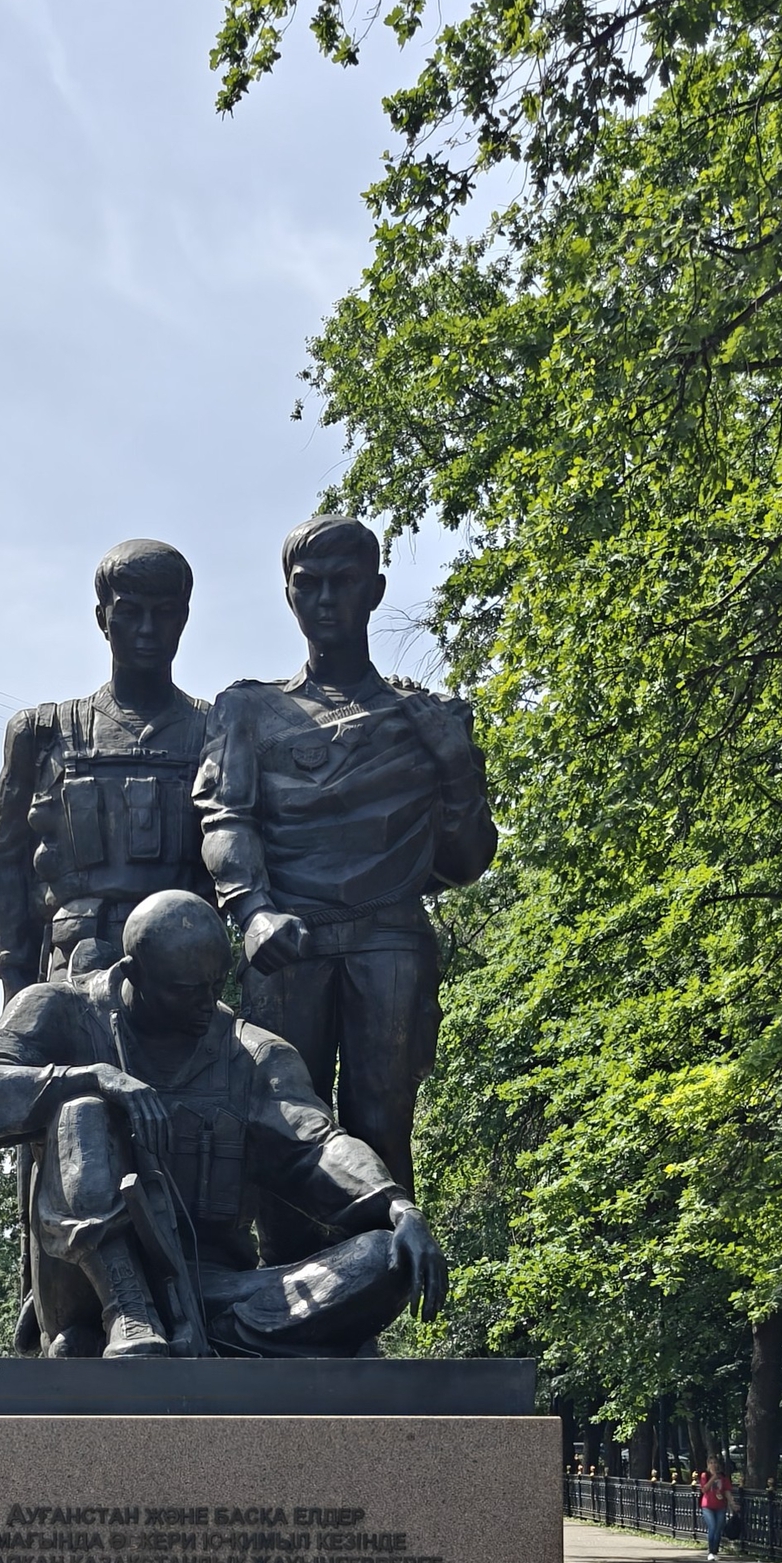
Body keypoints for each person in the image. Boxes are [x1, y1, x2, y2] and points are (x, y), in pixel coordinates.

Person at [0, 889, 449, 1359]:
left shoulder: (254, 1054)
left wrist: (396, 1205)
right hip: (83, 1290)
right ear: (133, 973)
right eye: (187, 990)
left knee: (386, 1258)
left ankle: (203, 1334)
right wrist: (89, 1077)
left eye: (215, 984)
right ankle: (127, 1311)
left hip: (207, 1285)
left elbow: (315, 1145)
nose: (207, 1003)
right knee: (81, 1109)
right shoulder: (59, 1010)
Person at [197, 516, 496, 1249]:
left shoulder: (421, 717)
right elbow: (223, 817)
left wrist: (456, 762)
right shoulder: (248, 710)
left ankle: (370, 1295)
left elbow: (467, 860)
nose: (326, 599)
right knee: (284, 1117)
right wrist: (253, 910)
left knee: (384, 1117)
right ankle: (297, 1297)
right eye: (309, 585)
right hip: (287, 941)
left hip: (389, 938)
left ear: (376, 591)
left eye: (344, 582)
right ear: (289, 596)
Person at [0, 540, 214, 997]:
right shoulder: (42, 732)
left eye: (164, 612)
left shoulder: (216, 733)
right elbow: (4, 859)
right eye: (130, 611)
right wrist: (14, 976)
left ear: (183, 619)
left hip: (186, 976)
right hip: (72, 969)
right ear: (102, 618)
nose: (147, 629)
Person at [696, 1459, 732, 1559]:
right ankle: (711, 1551)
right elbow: (704, 1489)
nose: (713, 1465)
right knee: (712, 1526)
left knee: (718, 1529)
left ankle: (715, 1551)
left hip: (720, 1505)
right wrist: (713, 1478)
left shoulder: (723, 1477)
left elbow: (727, 1491)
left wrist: (732, 1503)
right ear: (708, 1465)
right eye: (711, 1463)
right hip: (707, 1505)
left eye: (715, 1462)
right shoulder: (705, 1475)